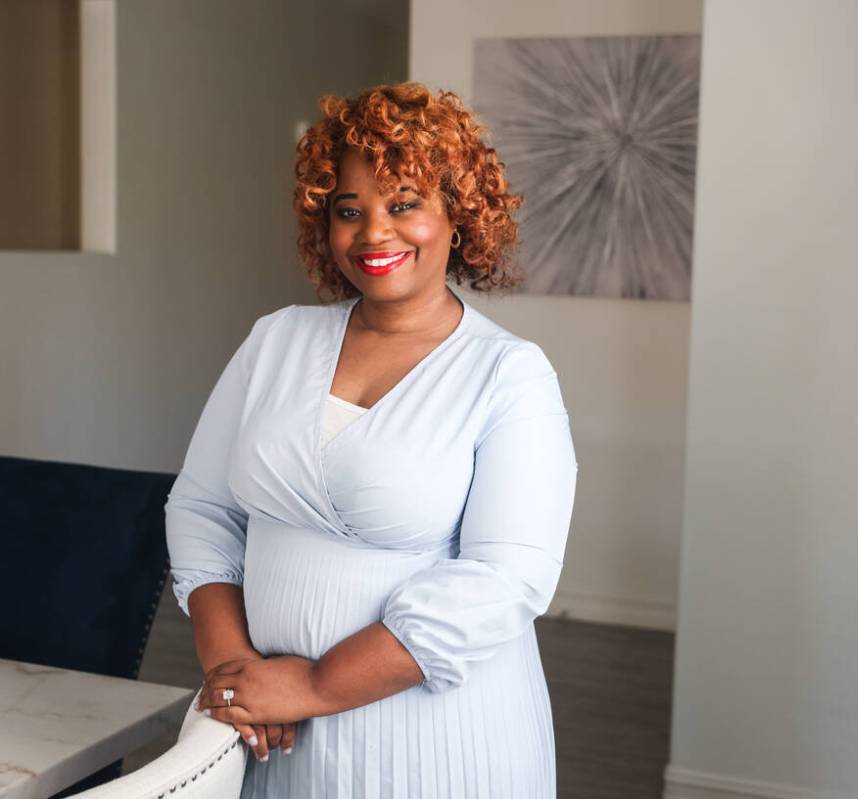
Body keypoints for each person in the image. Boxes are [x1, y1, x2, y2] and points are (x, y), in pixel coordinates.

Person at [164, 81, 578, 798]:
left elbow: (504, 579)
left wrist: (316, 684)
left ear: (459, 213)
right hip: (266, 727)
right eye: (348, 211)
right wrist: (234, 673)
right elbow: (202, 508)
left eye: (403, 204)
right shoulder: (276, 340)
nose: (373, 232)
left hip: (434, 735)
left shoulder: (509, 373)